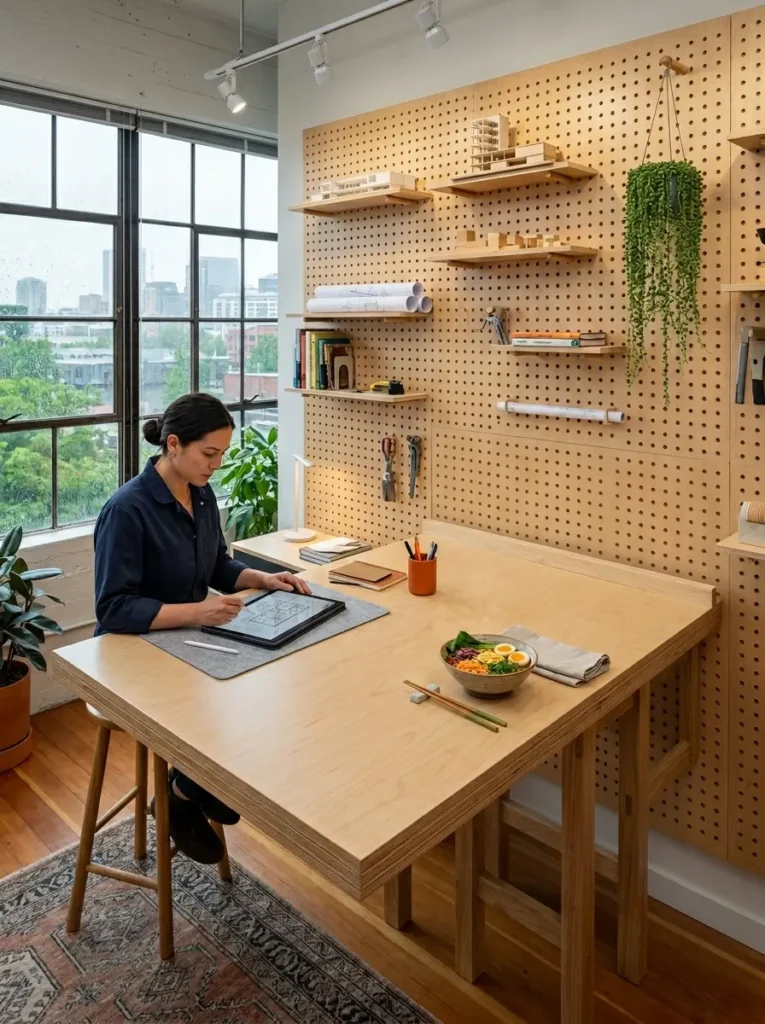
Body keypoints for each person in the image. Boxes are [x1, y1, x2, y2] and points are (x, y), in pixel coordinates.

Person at [94, 392, 311, 865]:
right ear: (173, 444)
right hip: (132, 654)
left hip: (186, 641)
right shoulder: (127, 510)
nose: (215, 464)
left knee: (270, 696)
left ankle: (191, 785)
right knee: (237, 709)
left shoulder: (202, 493)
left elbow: (215, 564)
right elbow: (114, 609)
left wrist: (262, 578)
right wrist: (197, 613)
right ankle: (186, 794)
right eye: (208, 454)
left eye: (221, 455)